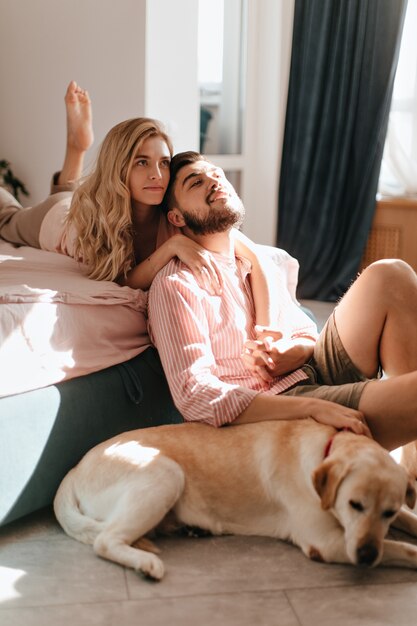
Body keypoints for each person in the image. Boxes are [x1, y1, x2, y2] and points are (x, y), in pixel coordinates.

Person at [148, 150, 417, 451]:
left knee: (390, 275)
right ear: (177, 217)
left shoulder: (255, 261)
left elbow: (306, 333)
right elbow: (194, 395)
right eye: (196, 182)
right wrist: (308, 408)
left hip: (310, 370)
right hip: (277, 407)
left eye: (216, 173)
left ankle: (413, 453)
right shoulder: (176, 285)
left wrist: (294, 351)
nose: (214, 180)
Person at [0, 81, 280, 327]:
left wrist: (267, 330)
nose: (157, 175)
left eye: (164, 163)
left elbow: (255, 256)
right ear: (119, 168)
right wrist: (172, 247)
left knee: (74, 195)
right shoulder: (98, 221)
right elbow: (120, 280)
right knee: (9, 217)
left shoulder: (175, 212)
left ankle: (77, 147)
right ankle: (78, 147)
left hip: (81, 202)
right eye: (141, 162)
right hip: (58, 218)